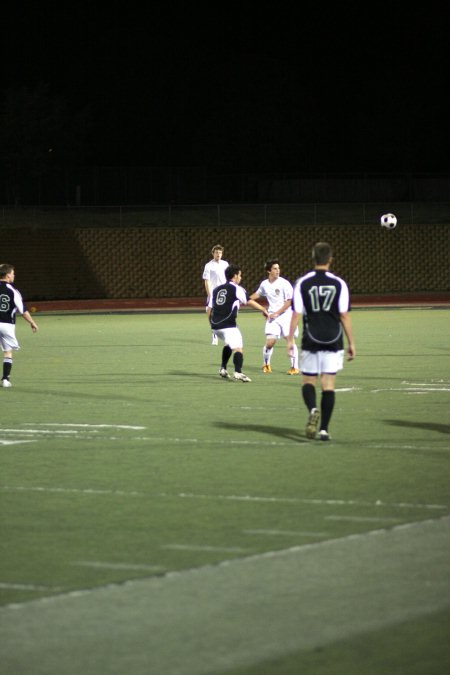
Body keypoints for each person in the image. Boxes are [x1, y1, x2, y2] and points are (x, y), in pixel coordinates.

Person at [287, 243, 355, 440]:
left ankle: (312, 409)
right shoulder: (339, 283)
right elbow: (344, 315)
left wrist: (290, 339)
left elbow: (296, 314)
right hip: (333, 339)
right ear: (330, 259)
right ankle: (324, 429)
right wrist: (351, 343)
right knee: (328, 384)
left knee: (308, 381)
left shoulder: (302, 283)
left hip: (311, 338)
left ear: (313, 257)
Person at [207, 264, 269, 382]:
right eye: (240, 275)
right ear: (235, 276)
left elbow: (209, 309)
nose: (241, 277)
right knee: (238, 348)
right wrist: (263, 309)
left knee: (229, 343)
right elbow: (249, 301)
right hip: (228, 325)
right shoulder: (236, 288)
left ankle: (223, 369)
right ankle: (238, 372)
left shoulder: (216, 290)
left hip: (215, 326)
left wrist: (212, 323)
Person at [250, 259, 299, 375]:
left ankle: (294, 367)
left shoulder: (284, 283)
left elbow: (289, 301)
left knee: (290, 340)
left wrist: (277, 313)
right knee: (270, 342)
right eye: (275, 268)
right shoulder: (264, 284)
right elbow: (257, 294)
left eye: (278, 268)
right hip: (273, 316)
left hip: (286, 315)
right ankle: (266, 364)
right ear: (268, 271)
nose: (278, 270)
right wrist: (246, 299)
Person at [0, 264, 39, 388]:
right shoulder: (13, 291)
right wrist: (32, 322)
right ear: (7, 275)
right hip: (7, 325)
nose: (14, 275)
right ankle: (5, 379)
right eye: (12, 273)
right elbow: (23, 310)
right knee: (7, 352)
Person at [202, 244, 229, 345]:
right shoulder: (208, 265)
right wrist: (209, 294)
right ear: (213, 254)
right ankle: (214, 334)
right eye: (217, 252)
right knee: (210, 313)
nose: (218, 254)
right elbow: (207, 281)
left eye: (220, 252)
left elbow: (228, 278)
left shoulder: (225, 264)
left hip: (224, 293)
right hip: (213, 293)